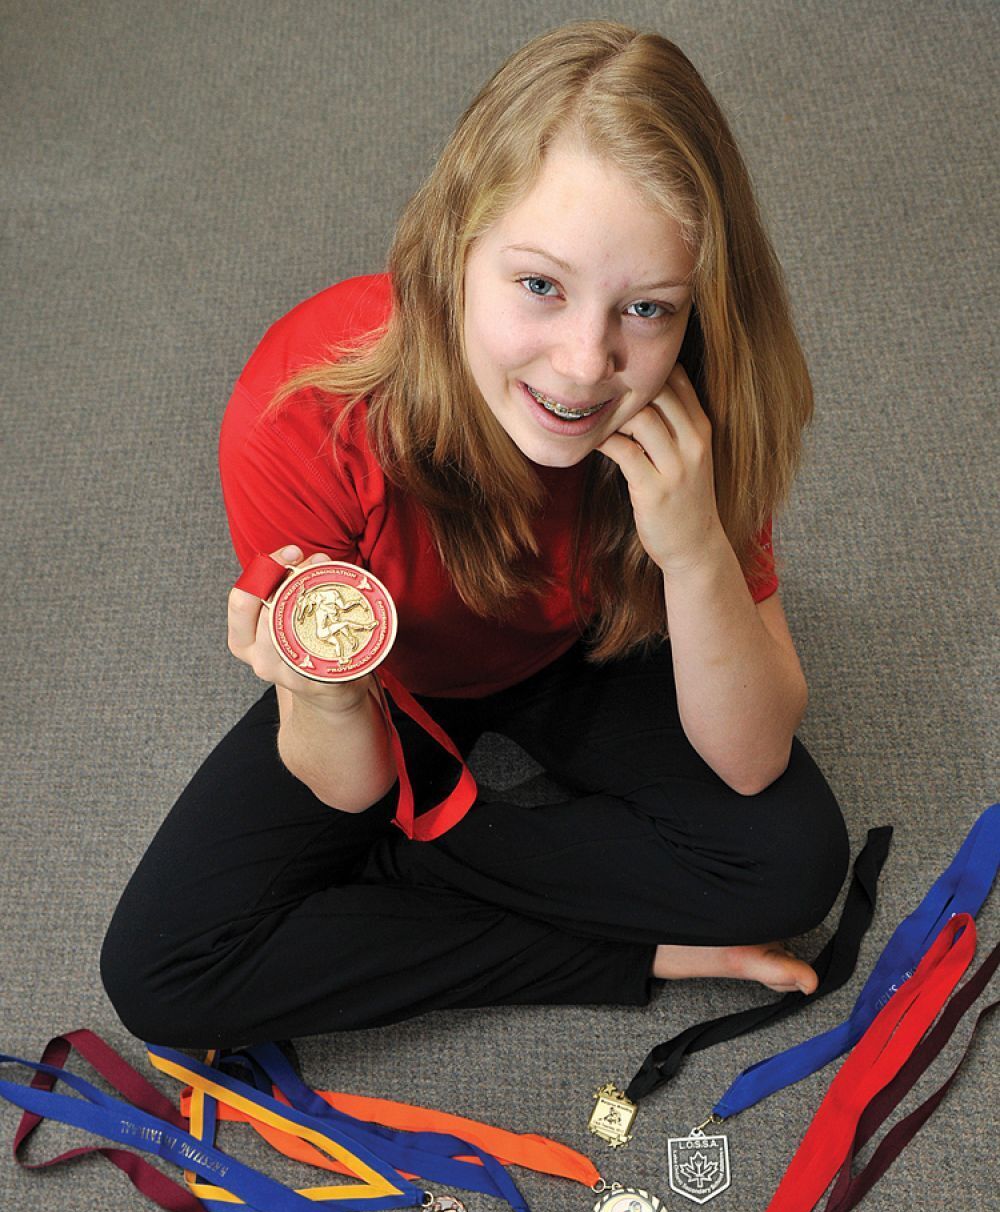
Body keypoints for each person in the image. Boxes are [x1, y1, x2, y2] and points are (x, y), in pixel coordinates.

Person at [101, 21, 849, 1050]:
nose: (584, 365)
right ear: (453, 250)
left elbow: (754, 759)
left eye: (645, 308)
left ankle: (418, 856)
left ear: (698, 310)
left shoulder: (701, 402)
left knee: (793, 864)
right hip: (395, 683)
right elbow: (351, 781)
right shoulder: (305, 407)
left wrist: (693, 551)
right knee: (163, 972)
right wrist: (322, 695)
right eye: (540, 285)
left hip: (586, 644)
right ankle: (609, 930)